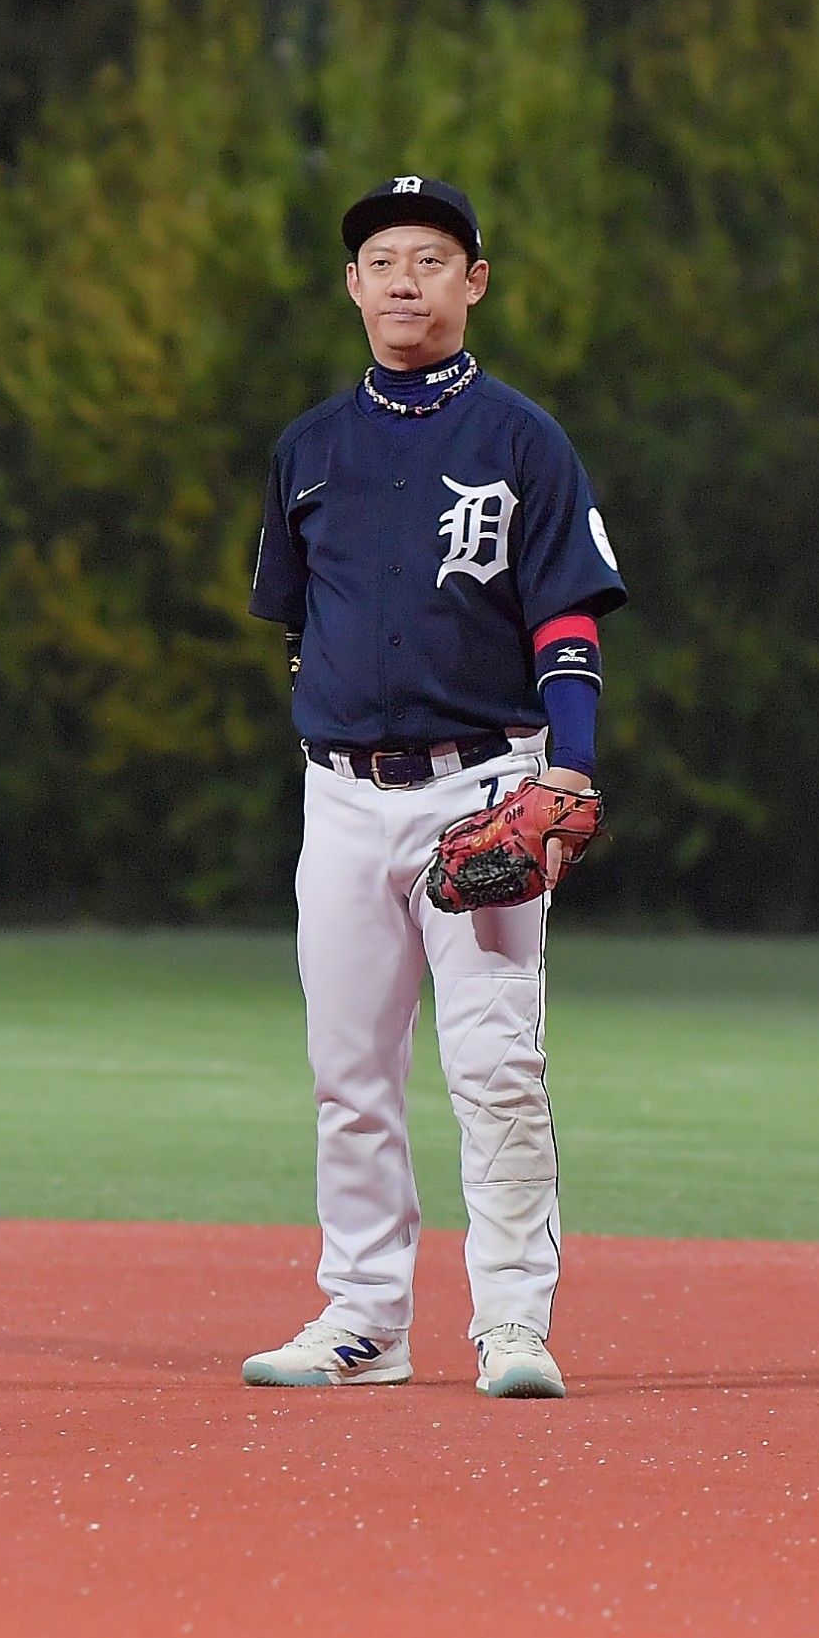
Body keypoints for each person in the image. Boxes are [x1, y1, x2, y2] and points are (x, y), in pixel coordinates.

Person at [245, 176, 627, 1398]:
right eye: (382, 260)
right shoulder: (308, 448)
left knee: (496, 1068)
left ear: (474, 281)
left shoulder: (523, 440)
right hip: (342, 798)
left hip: (485, 787)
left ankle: (510, 1322)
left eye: (430, 257)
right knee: (348, 1072)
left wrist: (567, 763)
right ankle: (363, 1319)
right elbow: (297, 619)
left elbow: (566, 617)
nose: (404, 278)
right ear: (352, 287)